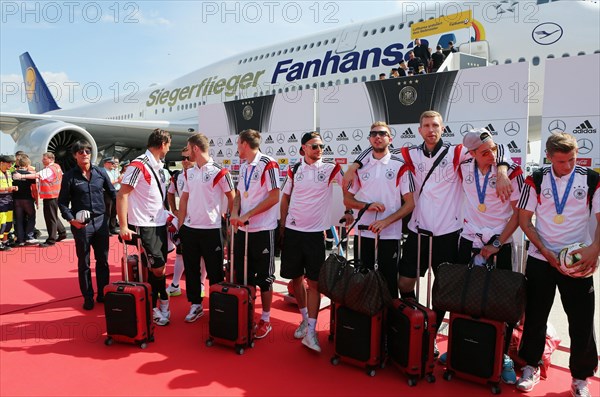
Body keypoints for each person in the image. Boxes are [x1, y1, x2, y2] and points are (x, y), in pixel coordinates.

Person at [343, 110, 513, 357]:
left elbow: (497, 148)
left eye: (435, 125)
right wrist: (353, 166)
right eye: (426, 125)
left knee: (443, 289)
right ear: (420, 130)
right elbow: (377, 150)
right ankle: (413, 321)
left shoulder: (457, 152)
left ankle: (431, 335)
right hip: (417, 231)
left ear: (442, 128)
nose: (431, 129)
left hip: (447, 232)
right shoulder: (410, 153)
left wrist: (502, 171)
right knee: (404, 281)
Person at [436, 129, 524, 384]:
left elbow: (519, 215)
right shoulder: (464, 165)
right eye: (484, 153)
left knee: (500, 301)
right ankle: (458, 346)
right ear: (471, 153)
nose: (492, 156)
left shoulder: (511, 172)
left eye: (493, 150)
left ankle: (502, 356)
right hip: (469, 239)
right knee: (463, 297)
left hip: (500, 242)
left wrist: (497, 243)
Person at [516, 132, 599, 396]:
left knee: (582, 320)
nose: (568, 166)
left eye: (572, 160)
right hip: (542, 259)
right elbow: (524, 220)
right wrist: (545, 251)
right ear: (549, 157)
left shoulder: (591, 179)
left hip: (577, 262)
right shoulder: (536, 179)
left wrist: (594, 250)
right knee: (536, 316)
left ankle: (580, 378)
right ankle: (530, 365)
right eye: (562, 161)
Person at [280, 132, 353, 352]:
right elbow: (285, 197)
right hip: (292, 231)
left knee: (314, 283)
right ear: (303, 148)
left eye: (322, 145)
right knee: (295, 280)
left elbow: (347, 187)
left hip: (314, 235)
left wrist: (349, 209)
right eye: (314, 146)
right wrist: (282, 226)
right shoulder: (294, 169)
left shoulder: (330, 168)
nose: (319, 149)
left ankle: (311, 331)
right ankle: (304, 319)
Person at [344, 122, 415, 300]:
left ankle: (389, 324)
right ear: (369, 139)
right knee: (362, 278)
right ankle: (366, 322)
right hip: (363, 232)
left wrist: (385, 221)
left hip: (389, 233)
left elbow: (410, 203)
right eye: (374, 134)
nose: (378, 136)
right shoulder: (362, 167)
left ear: (390, 139)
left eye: (382, 133)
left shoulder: (400, 165)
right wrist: (366, 206)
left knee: (388, 280)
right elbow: (348, 199)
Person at [177, 133, 235, 322]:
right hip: (190, 230)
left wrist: (229, 221)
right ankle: (196, 305)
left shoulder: (220, 171)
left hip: (212, 230)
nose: (186, 152)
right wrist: (180, 224)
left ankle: (218, 306)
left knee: (215, 271)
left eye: (187, 147)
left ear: (195, 148)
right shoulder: (189, 172)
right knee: (192, 270)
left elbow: (231, 196)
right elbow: (184, 198)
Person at [118, 128, 173, 326]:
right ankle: (160, 303)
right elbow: (122, 194)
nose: (169, 149)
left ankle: (156, 304)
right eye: (169, 145)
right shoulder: (138, 165)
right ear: (163, 144)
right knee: (157, 268)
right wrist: (123, 226)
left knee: (159, 267)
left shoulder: (158, 165)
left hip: (159, 222)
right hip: (144, 224)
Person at [229, 129, 280, 339]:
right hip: (243, 229)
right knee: (243, 276)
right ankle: (246, 314)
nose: (236, 148)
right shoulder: (243, 167)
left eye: (238, 144)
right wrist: (234, 212)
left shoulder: (269, 163)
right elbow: (240, 194)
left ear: (244, 144)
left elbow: (275, 196)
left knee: (265, 279)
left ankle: (265, 319)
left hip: (263, 230)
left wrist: (248, 214)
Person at [58, 141, 115, 310]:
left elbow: (113, 193)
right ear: (75, 155)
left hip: (101, 223)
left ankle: (103, 293)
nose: (85, 154)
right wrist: (71, 220)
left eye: (87, 151)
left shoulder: (101, 172)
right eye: (81, 151)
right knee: (84, 262)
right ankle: (88, 296)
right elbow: (62, 203)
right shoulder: (69, 176)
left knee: (103, 261)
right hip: (82, 225)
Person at [166, 147, 207, 298]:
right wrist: (175, 210)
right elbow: (170, 193)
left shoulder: (203, 172)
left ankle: (202, 284)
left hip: (202, 222)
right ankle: (175, 284)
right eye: (182, 158)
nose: (184, 161)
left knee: (202, 255)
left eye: (187, 158)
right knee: (180, 253)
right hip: (184, 222)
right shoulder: (177, 176)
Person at [13, 152, 67, 247]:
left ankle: (51, 240)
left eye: (44, 159)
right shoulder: (57, 166)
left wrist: (21, 176)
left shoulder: (49, 169)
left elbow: (37, 175)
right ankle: (62, 232)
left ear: (51, 159)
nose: (42, 160)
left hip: (50, 196)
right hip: (54, 195)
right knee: (53, 216)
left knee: (50, 218)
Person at [11, 154, 38, 246]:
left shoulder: (12, 174)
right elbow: (36, 184)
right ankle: (29, 237)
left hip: (16, 200)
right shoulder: (29, 174)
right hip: (27, 199)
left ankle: (20, 239)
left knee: (18, 219)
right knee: (31, 217)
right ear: (27, 165)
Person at [0, 155, 17, 251]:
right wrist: (7, 188)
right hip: (1, 201)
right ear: (1, 163)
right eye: (9, 163)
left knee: (8, 223)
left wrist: (13, 188)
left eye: (12, 163)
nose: (11, 165)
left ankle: (5, 242)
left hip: (9, 200)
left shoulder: (8, 173)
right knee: (1, 223)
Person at [102, 157, 121, 235]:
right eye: (112, 163)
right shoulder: (103, 172)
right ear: (106, 163)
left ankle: (112, 227)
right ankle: (106, 229)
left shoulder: (114, 171)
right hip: (107, 192)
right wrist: (117, 181)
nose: (113, 165)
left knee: (114, 211)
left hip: (115, 191)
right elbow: (108, 183)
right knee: (107, 211)